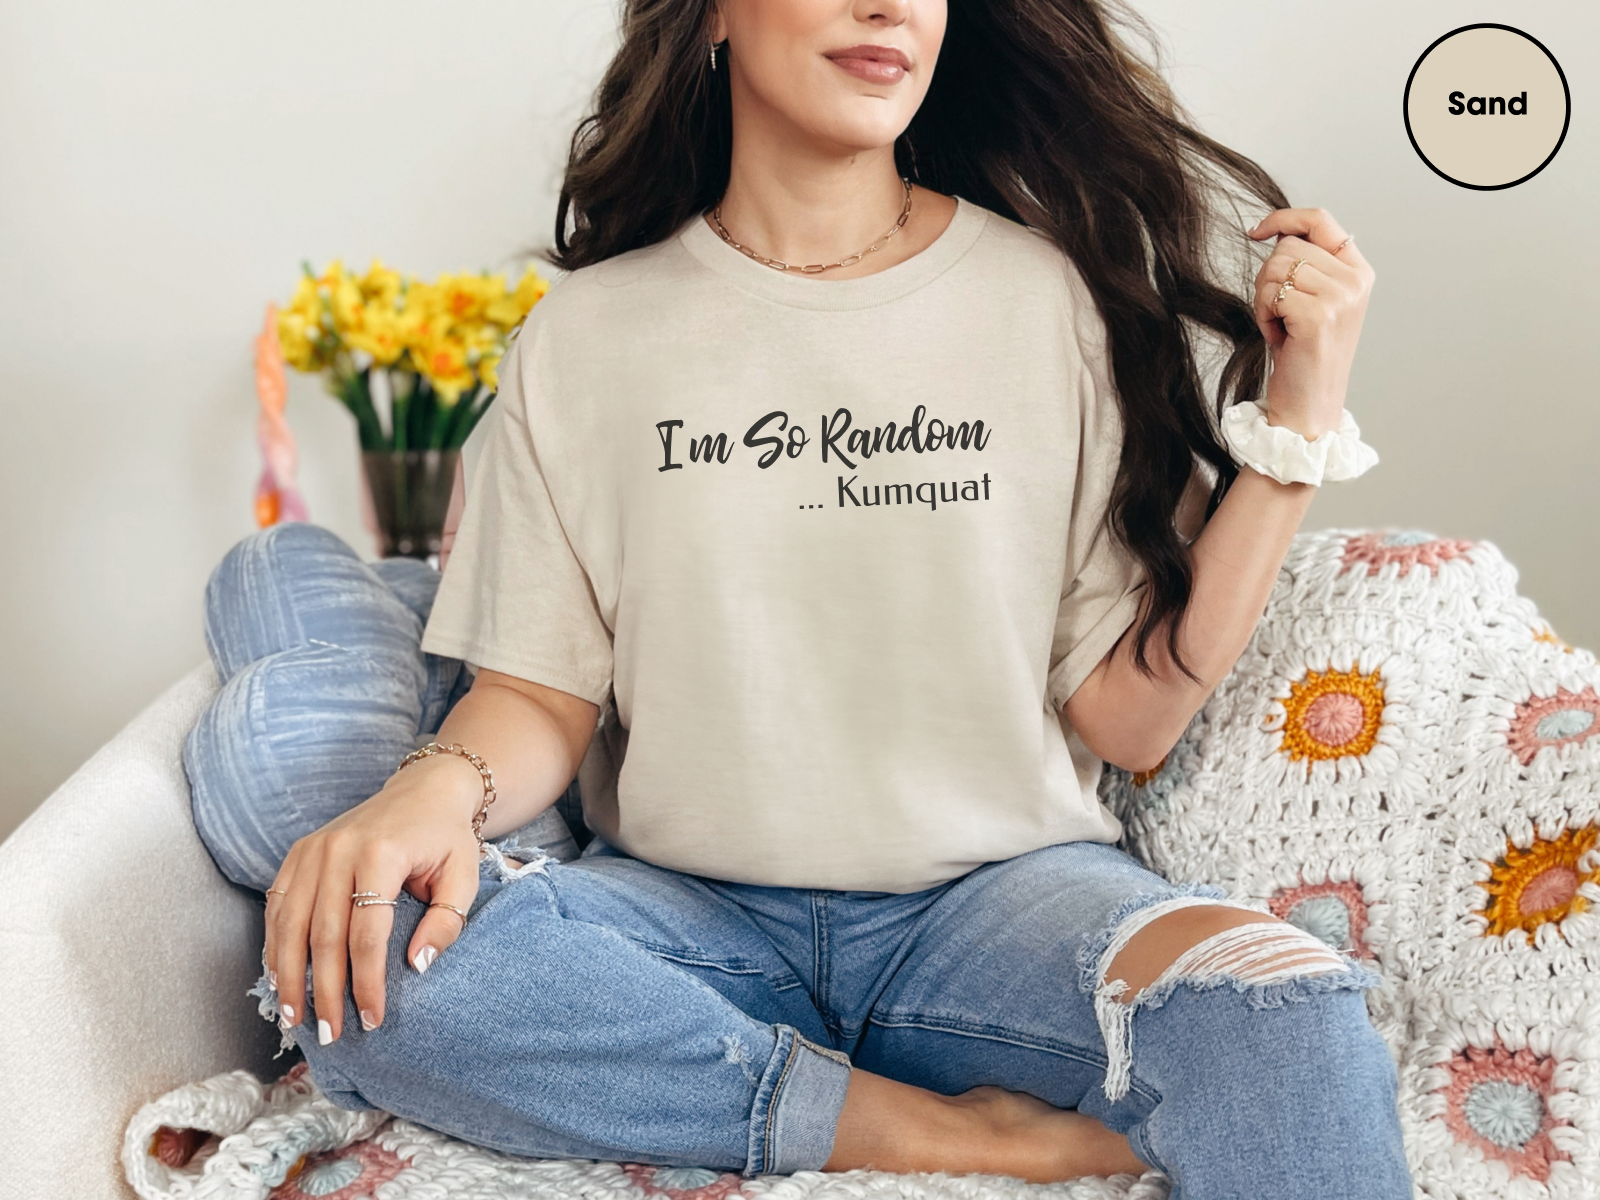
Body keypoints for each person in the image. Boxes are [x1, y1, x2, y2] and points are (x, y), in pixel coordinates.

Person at [191, 0, 1410, 1193]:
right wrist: (427, 795)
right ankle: (945, 1135)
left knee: (1282, 1012)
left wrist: (1295, 425)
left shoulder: (1046, 300)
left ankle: (796, 1102)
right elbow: (540, 692)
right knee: (367, 968)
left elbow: (1129, 718)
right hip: (688, 925)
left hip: (1002, 912)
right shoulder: (587, 338)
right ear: (709, 17)